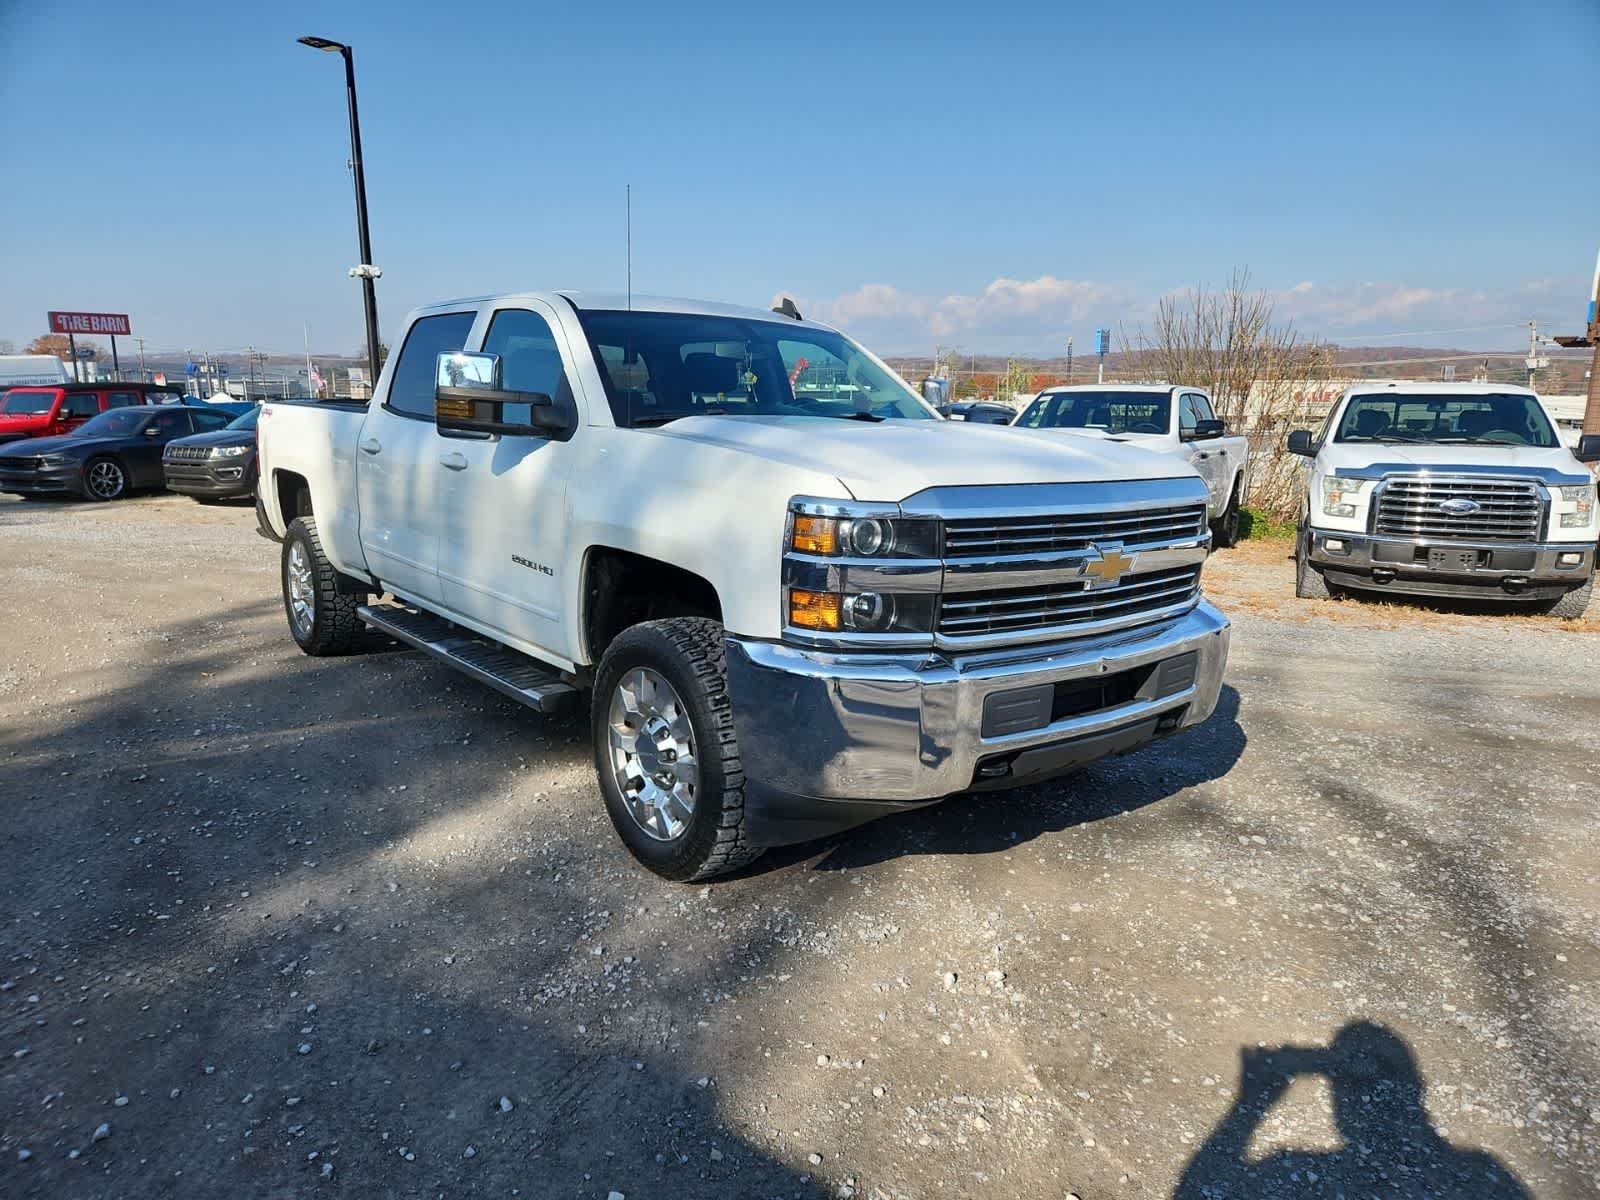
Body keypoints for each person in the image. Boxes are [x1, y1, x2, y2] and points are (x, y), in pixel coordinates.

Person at [1174, 1022, 1530, 1199]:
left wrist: (1250, 1104)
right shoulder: (1485, 1173)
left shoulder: (1291, 1167)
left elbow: (1194, 1190)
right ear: (1418, 1087)